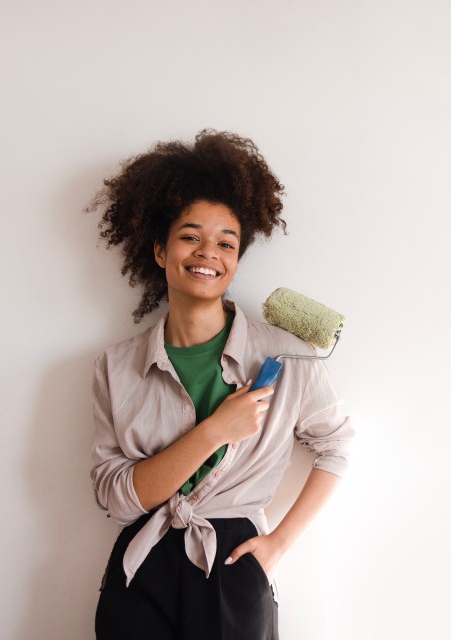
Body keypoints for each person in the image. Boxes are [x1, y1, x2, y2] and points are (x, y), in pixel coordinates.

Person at [87, 130, 354, 640]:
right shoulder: (115, 368)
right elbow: (119, 499)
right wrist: (213, 432)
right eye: (190, 236)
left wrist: (277, 545)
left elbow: (337, 446)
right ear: (161, 252)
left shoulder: (286, 354)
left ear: (235, 260)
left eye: (226, 243)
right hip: (141, 567)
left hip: (233, 562)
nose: (208, 252)